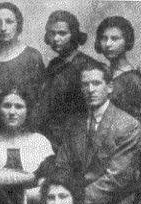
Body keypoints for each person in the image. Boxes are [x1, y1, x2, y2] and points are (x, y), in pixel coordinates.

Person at [56, 62, 141, 204]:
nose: (90, 90)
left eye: (96, 83)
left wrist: (74, 202)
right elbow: (62, 166)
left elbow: (117, 179)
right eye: (85, 84)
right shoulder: (74, 124)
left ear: (109, 87)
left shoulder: (129, 125)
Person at [38, 10, 100, 150]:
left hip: (75, 141)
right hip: (50, 137)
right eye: (52, 33)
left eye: (62, 33)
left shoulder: (87, 66)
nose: (56, 38)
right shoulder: (54, 64)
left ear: (74, 35)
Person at [0, 2, 45, 102]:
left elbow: (38, 98)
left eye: (9, 22)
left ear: (18, 24)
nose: (3, 28)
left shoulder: (32, 56)